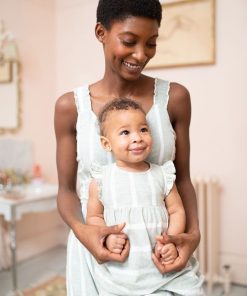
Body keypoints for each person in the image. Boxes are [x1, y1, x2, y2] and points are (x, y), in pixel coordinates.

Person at [54, 0, 201, 294]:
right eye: (129, 41)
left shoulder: (175, 99)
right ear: (101, 32)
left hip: (161, 256)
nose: (141, 54)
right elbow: (67, 191)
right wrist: (85, 232)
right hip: (94, 256)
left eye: (151, 43)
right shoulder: (70, 107)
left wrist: (193, 235)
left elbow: (182, 179)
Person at [86, 98, 203, 295]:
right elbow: (94, 217)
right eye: (125, 132)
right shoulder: (101, 180)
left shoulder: (162, 175)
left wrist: (171, 241)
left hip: (162, 265)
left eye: (143, 129)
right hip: (122, 272)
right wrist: (106, 238)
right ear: (106, 144)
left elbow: (176, 211)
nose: (137, 137)